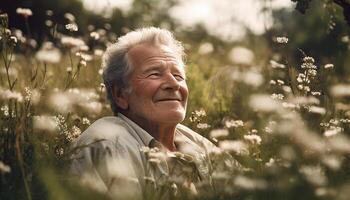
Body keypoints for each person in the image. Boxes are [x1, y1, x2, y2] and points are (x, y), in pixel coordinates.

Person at [70, 27, 218, 199]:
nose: (174, 84)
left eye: (178, 76)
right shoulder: (107, 144)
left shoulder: (197, 144)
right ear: (120, 94)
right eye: (155, 74)